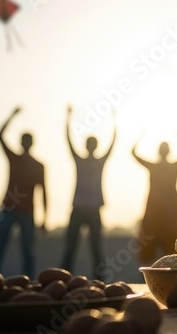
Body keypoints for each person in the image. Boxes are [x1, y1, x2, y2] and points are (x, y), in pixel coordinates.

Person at [0, 107, 47, 276]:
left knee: (27, 252)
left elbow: (44, 192)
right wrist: (11, 116)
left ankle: (29, 285)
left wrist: (45, 218)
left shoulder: (38, 166)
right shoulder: (16, 159)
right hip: (9, 209)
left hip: (26, 212)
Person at [60, 105, 116, 278]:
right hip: (80, 209)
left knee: (95, 248)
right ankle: (63, 279)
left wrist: (114, 122)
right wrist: (67, 120)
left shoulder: (97, 162)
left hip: (91, 210)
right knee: (72, 247)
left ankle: (98, 282)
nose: (90, 146)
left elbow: (113, 143)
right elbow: (68, 141)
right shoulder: (81, 160)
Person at [133, 138, 177, 265]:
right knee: (165, 241)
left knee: (159, 240)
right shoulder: (172, 166)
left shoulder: (154, 166)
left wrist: (140, 138)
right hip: (168, 210)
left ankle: (155, 272)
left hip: (161, 210)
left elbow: (134, 153)